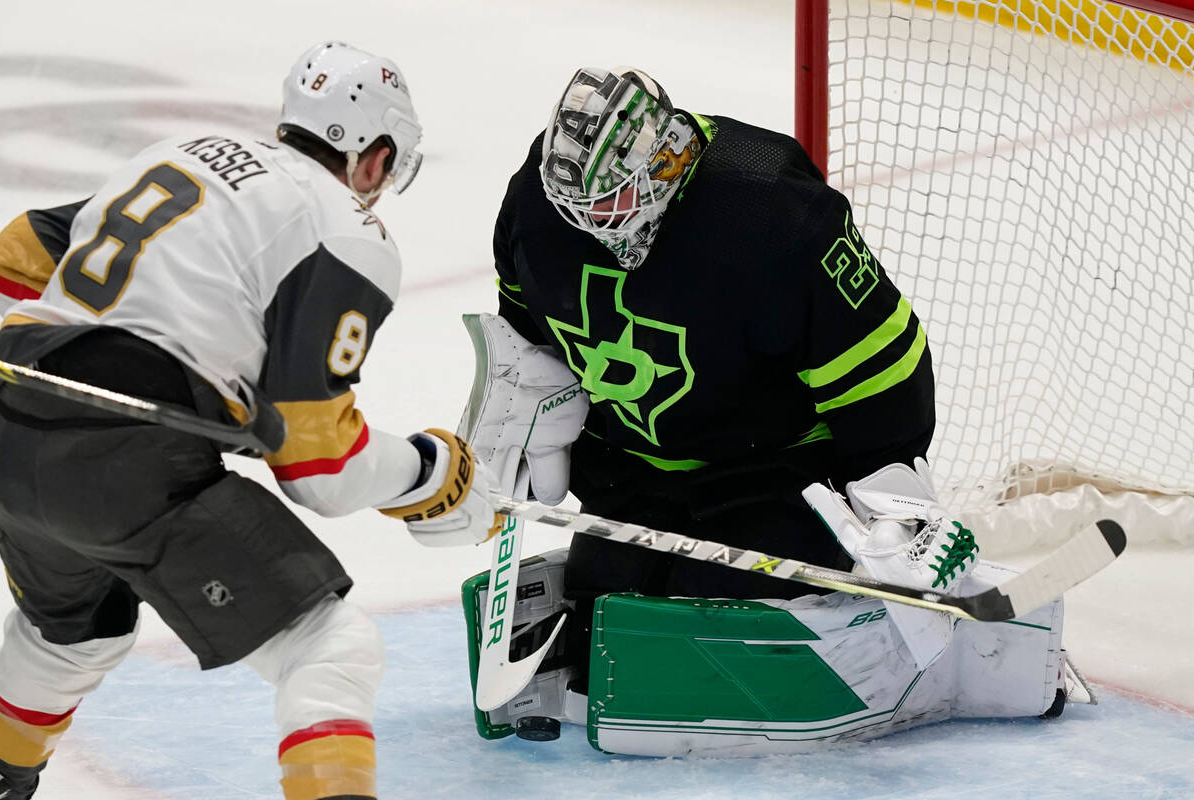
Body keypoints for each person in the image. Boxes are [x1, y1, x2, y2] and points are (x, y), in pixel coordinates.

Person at [458, 66, 1073, 755]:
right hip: (628, 465)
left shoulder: (770, 208)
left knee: (703, 606)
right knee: (610, 593)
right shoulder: (540, 202)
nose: (590, 225)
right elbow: (528, 337)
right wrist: (528, 431)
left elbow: (881, 363)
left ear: (666, 161)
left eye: (608, 205)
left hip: (770, 470)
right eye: (578, 208)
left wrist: (892, 493)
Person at [0, 42, 500, 800]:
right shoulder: (344, 229)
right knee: (331, 650)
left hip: (9, 422)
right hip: (124, 460)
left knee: (73, 633)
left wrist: (166, 366)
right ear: (375, 156)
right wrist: (428, 474)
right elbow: (320, 468)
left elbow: (18, 257)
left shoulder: (186, 151)